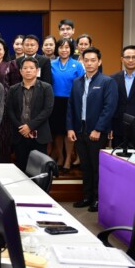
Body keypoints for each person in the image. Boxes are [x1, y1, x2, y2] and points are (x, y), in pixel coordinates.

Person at [67, 47, 118, 212]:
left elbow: (109, 108)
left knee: (97, 167)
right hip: (79, 131)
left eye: (93, 60)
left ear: (99, 62)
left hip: (96, 132)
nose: (89, 63)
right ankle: (87, 197)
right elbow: (71, 106)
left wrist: (98, 129)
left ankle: (97, 199)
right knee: (85, 166)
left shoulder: (107, 82)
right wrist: (70, 128)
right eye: (86, 60)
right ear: (82, 61)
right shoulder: (77, 82)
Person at [7, 57, 54, 173]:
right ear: (20, 71)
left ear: (37, 71)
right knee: (21, 169)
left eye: (31, 68)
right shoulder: (13, 89)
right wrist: (22, 128)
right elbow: (10, 111)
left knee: (39, 171)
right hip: (20, 135)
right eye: (25, 68)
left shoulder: (46, 88)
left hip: (39, 136)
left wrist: (30, 126)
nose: (28, 70)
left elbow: (47, 110)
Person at [49, 38, 84, 172]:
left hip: (71, 101)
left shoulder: (77, 65)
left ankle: (68, 158)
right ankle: (60, 157)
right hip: (55, 101)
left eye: (67, 47)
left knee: (69, 131)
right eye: (61, 47)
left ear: (71, 49)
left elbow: (82, 85)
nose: (64, 50)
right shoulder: (51, 64)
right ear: (57, 49)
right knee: (57, 132)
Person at [0, 38, 20, 162]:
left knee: (4, 137)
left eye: (0, 49)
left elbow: (15, 87)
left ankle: (3, 163)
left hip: (6, 107)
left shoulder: (11, 65)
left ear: (4, 50)